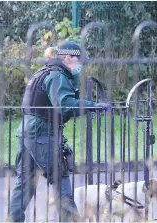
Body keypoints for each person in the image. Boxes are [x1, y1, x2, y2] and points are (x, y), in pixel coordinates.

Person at [8, 41, 112, 222]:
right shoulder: (57, 77)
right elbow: (65, 105)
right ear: (68, 57)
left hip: (26, 131)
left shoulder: (42, 72)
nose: (80, 65)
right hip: (41, 133)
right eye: (79, 61)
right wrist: (93, 106)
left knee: (24, 185)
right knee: (60, 180)